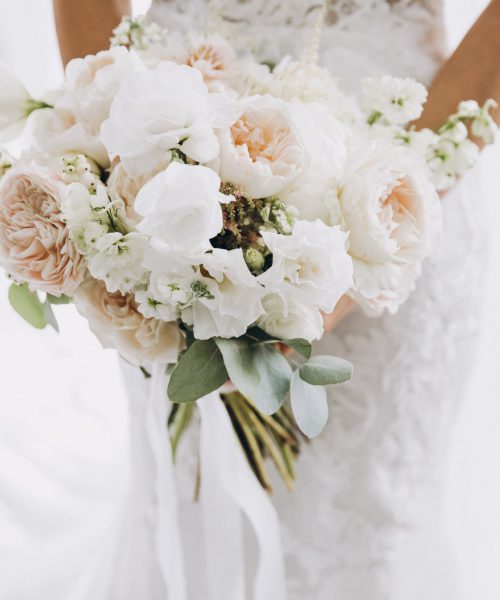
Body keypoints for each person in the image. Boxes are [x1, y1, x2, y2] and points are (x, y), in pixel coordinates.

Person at [52, 1, 500, 598]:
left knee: (364, 516)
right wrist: (109, 155)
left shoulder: (396, 185)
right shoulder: (140, 175)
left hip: (401, 150)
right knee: (188, 490)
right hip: (162, 154)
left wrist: (367, 238)